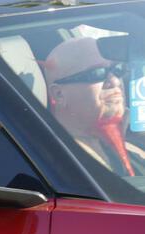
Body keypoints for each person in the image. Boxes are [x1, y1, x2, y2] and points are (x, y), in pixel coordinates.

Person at [43, 37, 144, 176]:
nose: (114, 81)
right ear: (59, 94)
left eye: (118, 70)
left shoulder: (131, 146)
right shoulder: (60, 166)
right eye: (97, 73)